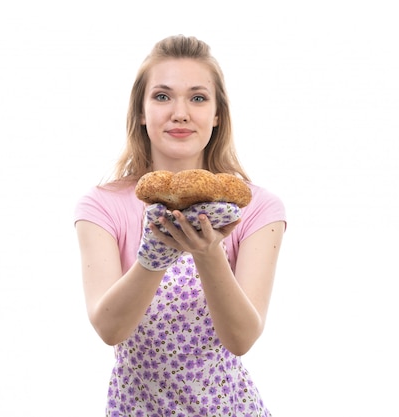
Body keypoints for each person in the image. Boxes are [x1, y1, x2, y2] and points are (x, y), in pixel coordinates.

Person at [73, 34, 286, 417]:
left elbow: (241, 339)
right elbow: (109, 330)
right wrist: (154, 256)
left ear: (218, 114)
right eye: (162, 96)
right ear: (140, 111)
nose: (181, 112)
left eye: (198, 97)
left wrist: (208, 254)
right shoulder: (101, 205)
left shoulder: (254, 208)